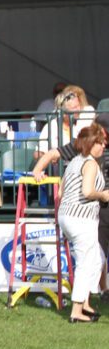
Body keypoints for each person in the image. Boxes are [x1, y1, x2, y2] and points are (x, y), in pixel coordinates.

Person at [58, 123, 109, 323]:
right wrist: (103, 195)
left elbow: (61, 191)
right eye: (101, 142)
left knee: (97, 258)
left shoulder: (73, 162)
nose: (104, 146)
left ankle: (85, 303)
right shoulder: (90, 164)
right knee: (86, 263)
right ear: (91, 143)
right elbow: (88, 192)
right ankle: (76, 310)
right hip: (81, 219)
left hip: (66, 216)